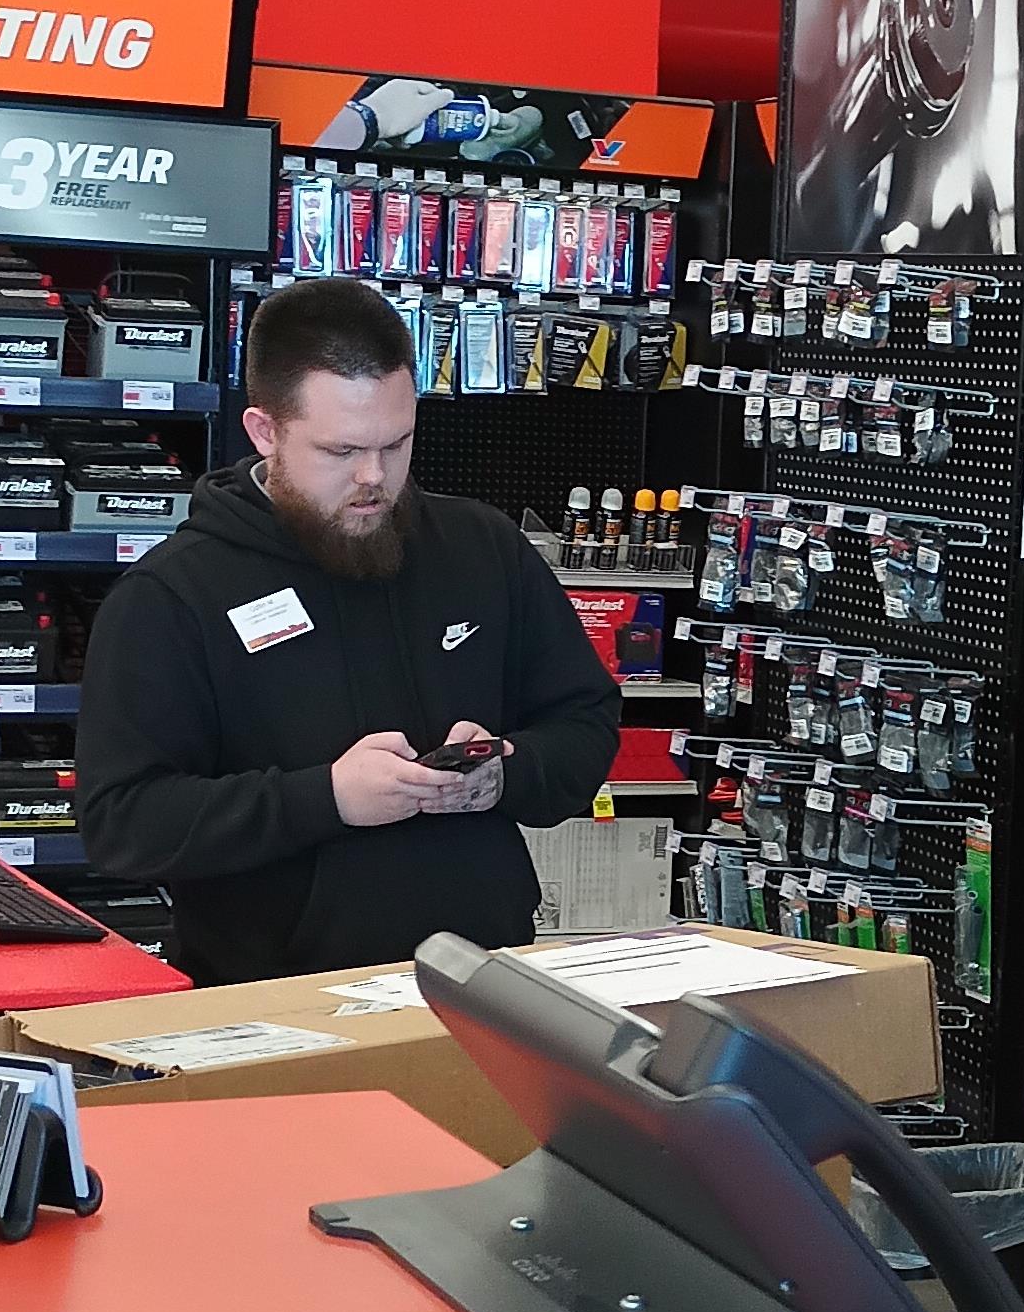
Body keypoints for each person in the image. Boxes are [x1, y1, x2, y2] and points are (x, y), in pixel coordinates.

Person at [77, 278, 622, 980]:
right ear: (265, 431)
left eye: (396, 444)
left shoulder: (483, 548)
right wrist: (327, 797)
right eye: (341, 452)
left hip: (485, 985)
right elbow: (123, 823)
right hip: (275, 1005)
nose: (374, 477)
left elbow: (585, 723)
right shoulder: (172, 596)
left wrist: (505, 774)